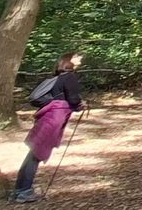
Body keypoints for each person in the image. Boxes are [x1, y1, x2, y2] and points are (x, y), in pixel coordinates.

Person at [12, 51, 86, 203]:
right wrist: (81, 104)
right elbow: (72, 100)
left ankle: (20, 189)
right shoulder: (69, 77)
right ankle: (23, 191)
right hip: (54, 119)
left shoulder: (59, 77)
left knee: (34, 153)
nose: (80, 59)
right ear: (69, 60)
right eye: (77, 57)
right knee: (36, 154)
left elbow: (61, 98)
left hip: (48, 116)